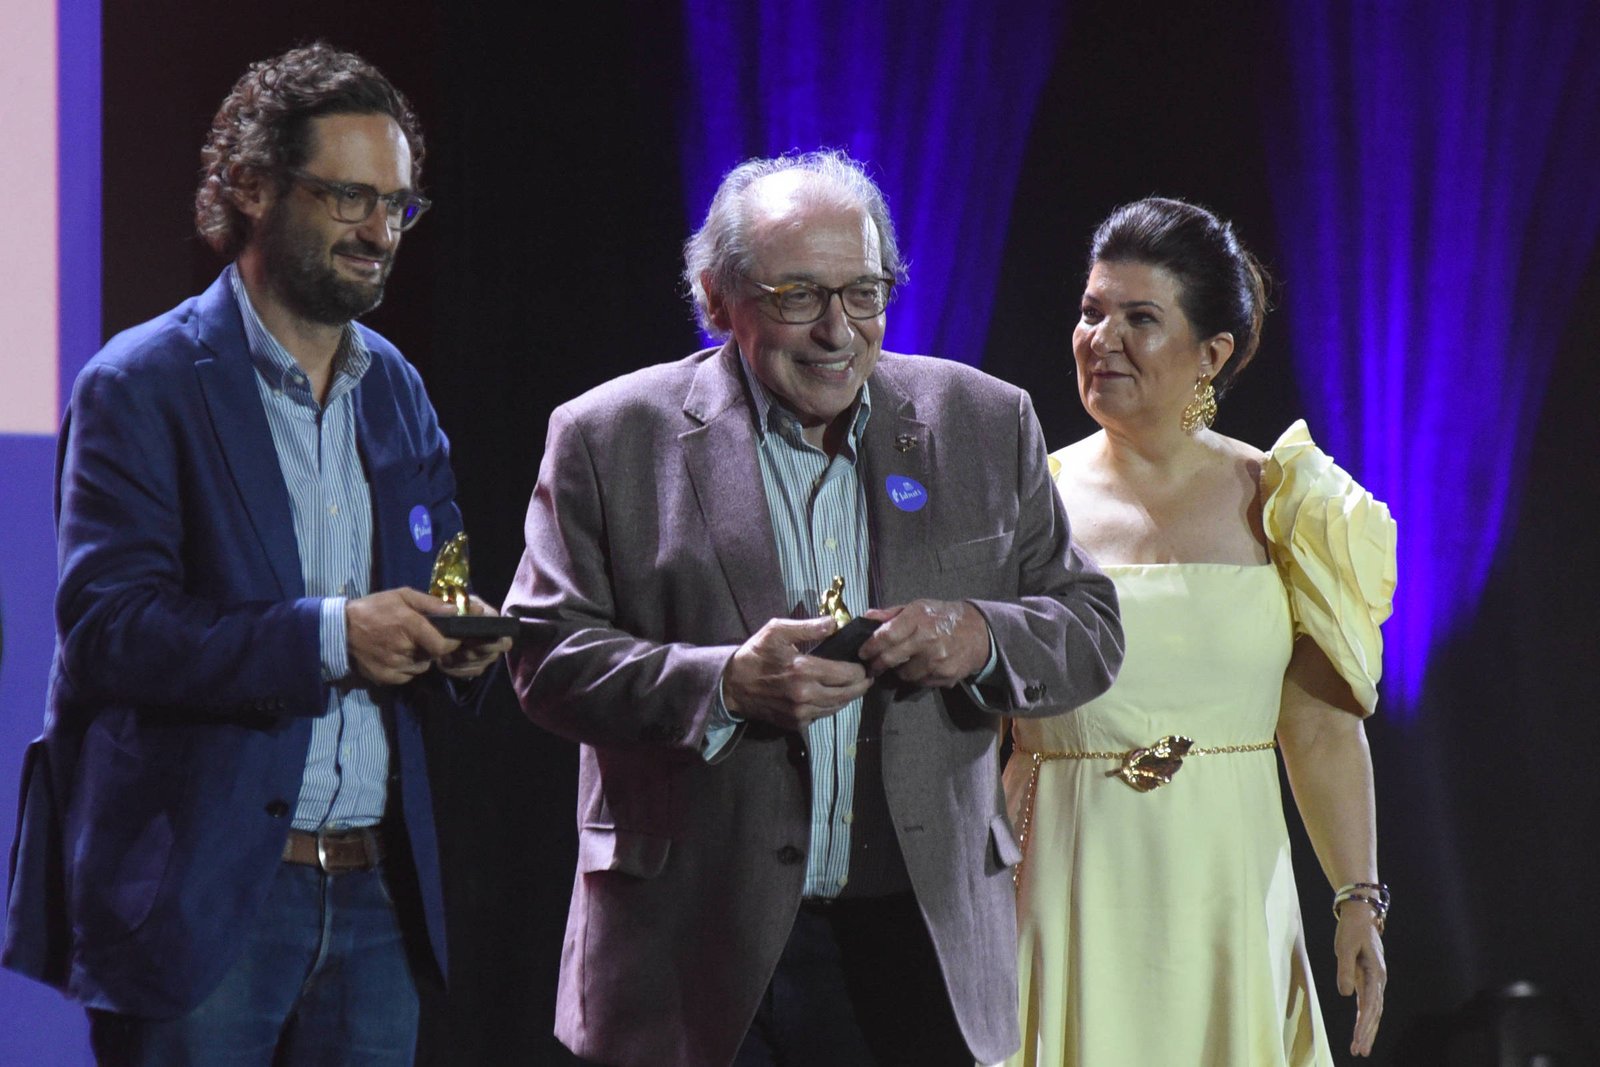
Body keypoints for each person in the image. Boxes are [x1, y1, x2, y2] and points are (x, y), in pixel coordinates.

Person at [503, 150, 1125, 1067]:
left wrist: (978, 634)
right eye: (799, 296)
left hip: (919, 940)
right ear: (718, 299)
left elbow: (1088, 623)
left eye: (864, 293)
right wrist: (723, 686)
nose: (839, 331)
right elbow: (545, 656)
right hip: (693, 943)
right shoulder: (607, 436)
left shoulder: (986, 421)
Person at [1, 43, 510, 1065]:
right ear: (250, 185)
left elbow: (438, 562)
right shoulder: (140, 383)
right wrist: (333, 637)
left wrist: (458, 641)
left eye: (399, 206)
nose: (379, 232)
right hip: (207, 904)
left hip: (376, 903)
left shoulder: (397, 387)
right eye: (350, 198)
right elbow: (108, 631)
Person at [1004, 197, 1395, 1065]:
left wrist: (1357, 899)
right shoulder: (1025, 502)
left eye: (1141, 317)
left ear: (1211, 353)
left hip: (1225, 888)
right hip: (1063, 878)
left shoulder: (1290, 502)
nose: (1102, 338)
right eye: (1091, 310)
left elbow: (1323, 727)